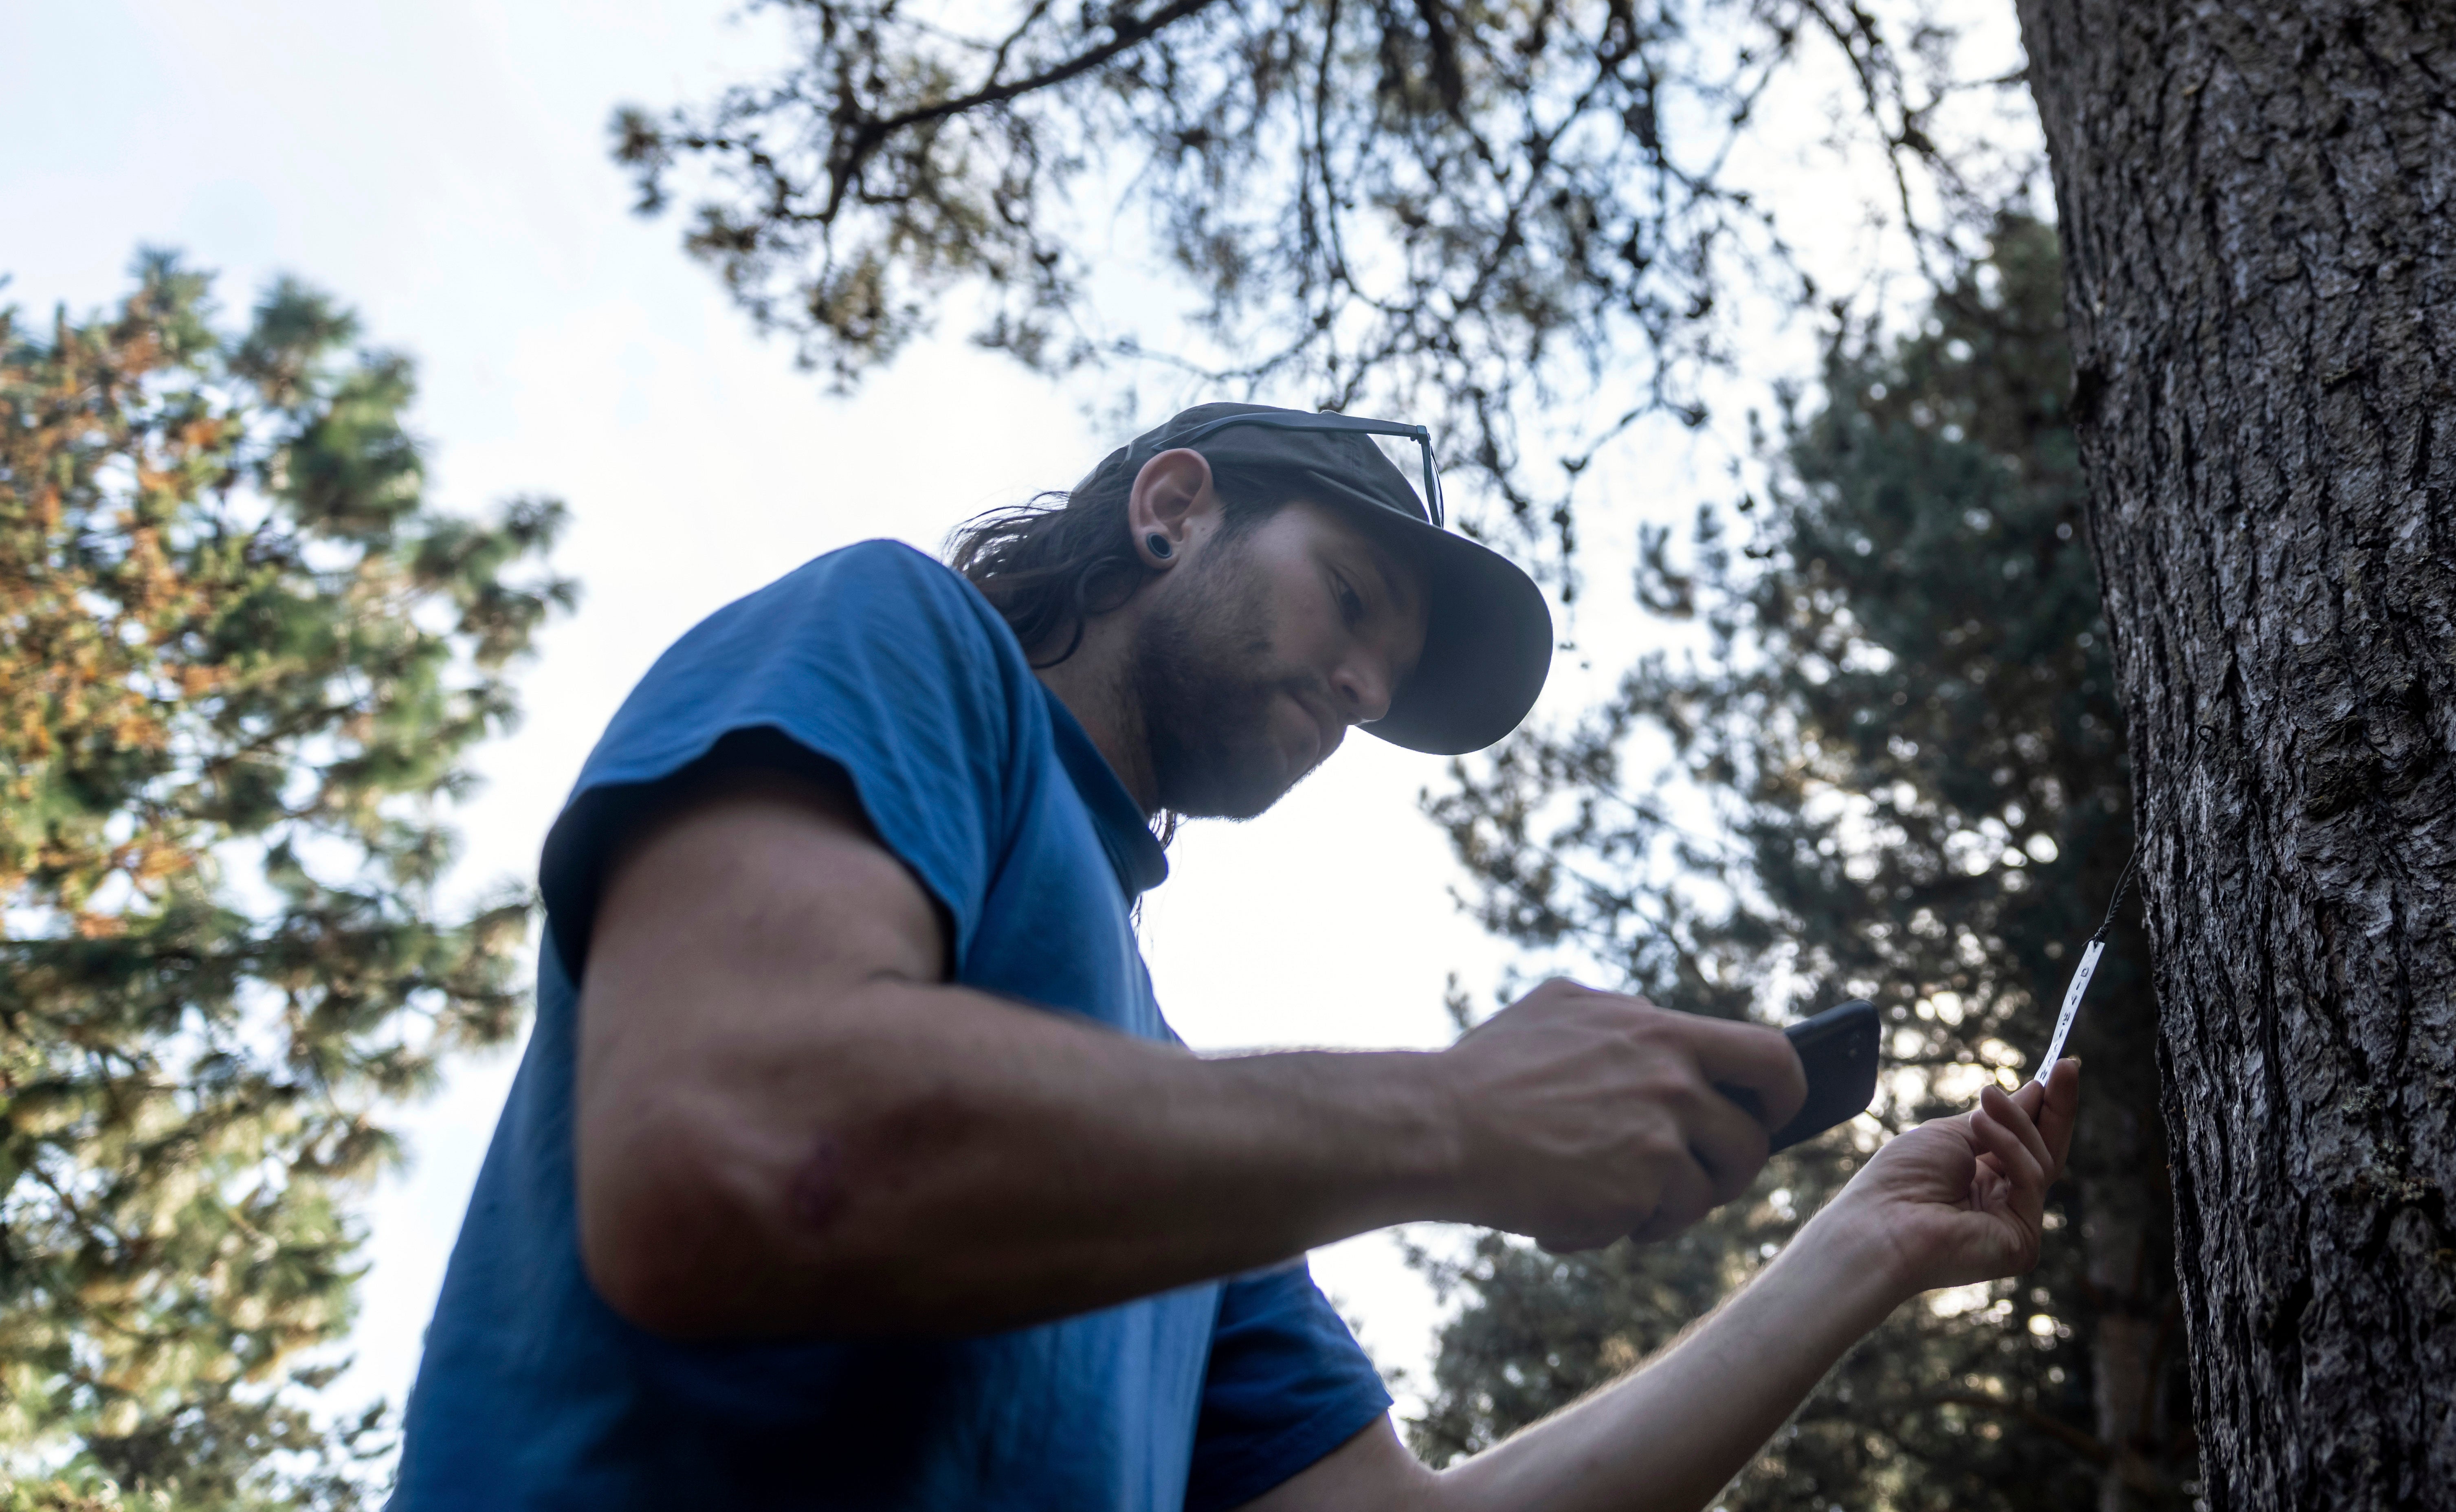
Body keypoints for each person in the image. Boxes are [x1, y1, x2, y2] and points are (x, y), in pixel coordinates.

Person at [394, 402, 2081, 1510]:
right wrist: (1453, 1119)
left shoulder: (1169, 1141)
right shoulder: (897, 640)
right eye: (1348, 600)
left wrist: (1857, 1254)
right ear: (1174, 510)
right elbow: (735, 1145)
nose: (1360, 691)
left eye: (1388, 679)